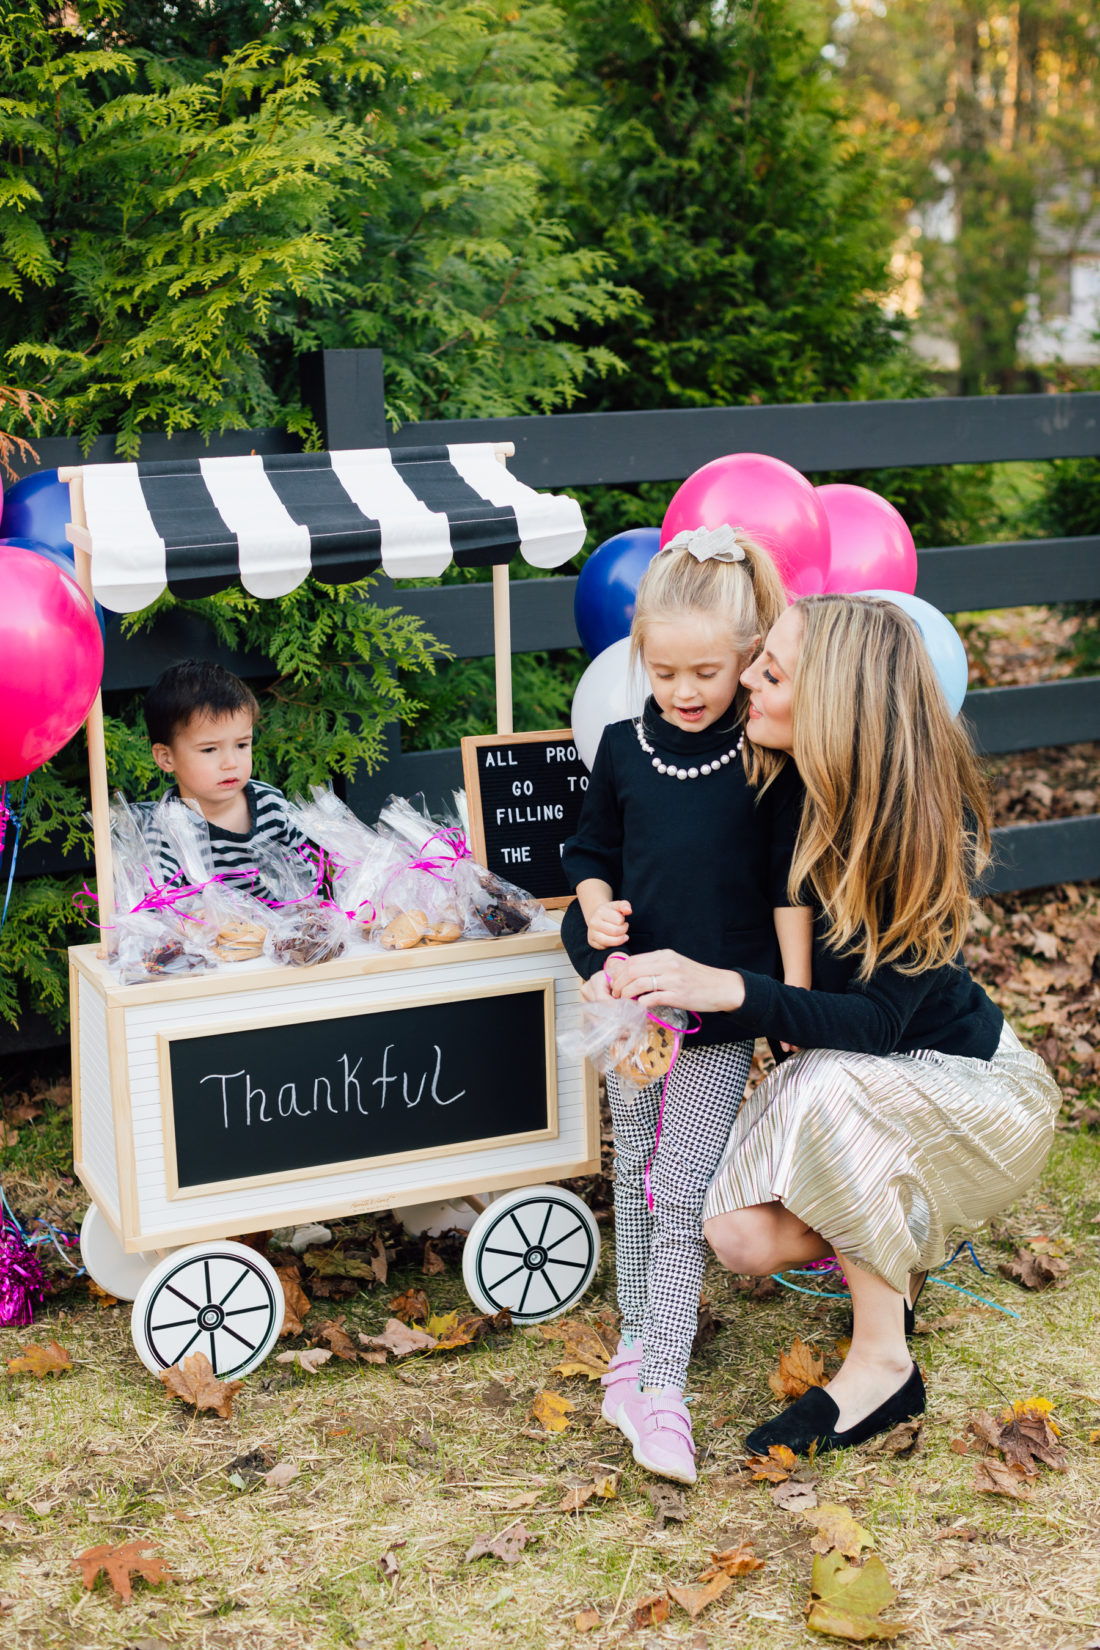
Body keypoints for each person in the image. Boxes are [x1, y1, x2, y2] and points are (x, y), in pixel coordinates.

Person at [607, 594, 1060, 1455]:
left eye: (770, 672)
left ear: (834, 703)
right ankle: (900, 1235)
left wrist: (732, 991)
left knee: (826, 1074)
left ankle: (883, 1365)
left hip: (977, 1093)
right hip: (857, 1086)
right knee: (734, 1234)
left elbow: (879, 1025)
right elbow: (644, 859)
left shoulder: (918, 827)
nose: (745, 680)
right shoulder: (775, 783)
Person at [560, 525, 813, 1484]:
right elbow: (589, 855)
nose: (686, 691)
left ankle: (662, 1384)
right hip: (632, 1010)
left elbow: (792, 888)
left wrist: (787, 1003)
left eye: (708, 670)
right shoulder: (623, 751)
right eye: (663, 671)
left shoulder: (765, 761)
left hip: (719, 1011)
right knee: (639, 1174)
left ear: (751, 657)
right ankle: (636, 1353)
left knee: (681, 1188)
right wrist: (592, 908)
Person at [139, 659, 309, 892]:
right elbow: (159, 906)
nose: (230, 763)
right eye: (209, 749)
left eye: (241, 745)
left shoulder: (271, 804)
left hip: (287, 927)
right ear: (166, 758)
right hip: (210, 928)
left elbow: (307, 875)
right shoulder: (168, 831)